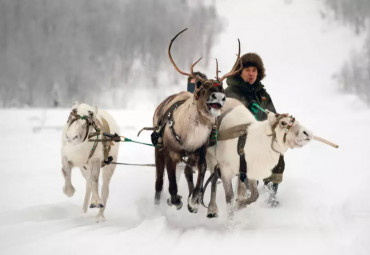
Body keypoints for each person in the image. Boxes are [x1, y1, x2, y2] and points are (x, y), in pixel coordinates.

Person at [225, 52, 284, 207]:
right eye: (247, 70)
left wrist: (280, 120)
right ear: (240, 72)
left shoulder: (263, 94)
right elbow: (226, 116)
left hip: (260, 135)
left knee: (277, 152)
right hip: (237, 138)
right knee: (251, 157)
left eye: (254, 70)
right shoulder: (231, 91)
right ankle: (247, 192)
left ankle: (270, 194)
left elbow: (272, 115)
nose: (251, 74)